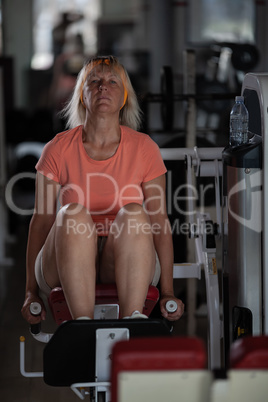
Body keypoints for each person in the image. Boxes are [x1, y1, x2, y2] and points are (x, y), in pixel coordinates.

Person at [21, 55, 184, 324]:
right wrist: (30, 292)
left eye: (112, 81)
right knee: (71, 213)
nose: (102, 87)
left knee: (134, 214)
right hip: (63, 257)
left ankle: (133, 322)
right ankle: (81, 329)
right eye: (93, 81)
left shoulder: (144, 148)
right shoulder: (58, 148)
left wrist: (167, 292)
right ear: (82, 95)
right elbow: (40, 222)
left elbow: (159, 222)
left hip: (121, 254)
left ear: (124, 96)